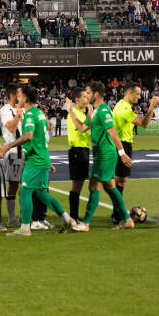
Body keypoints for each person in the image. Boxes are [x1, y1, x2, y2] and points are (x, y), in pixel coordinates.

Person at [0, 85, 82, 236]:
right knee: (42, 194)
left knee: (24, 192)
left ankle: (25, 228)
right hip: (42, 157)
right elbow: (41, 137)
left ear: (25, 98)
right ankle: (68, 220)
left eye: (19, 95)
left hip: (34, 160)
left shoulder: (30, 115)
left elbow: (28, 135)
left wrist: (7, 146)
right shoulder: (40, 114)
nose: (17, 98)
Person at [81, 81, 134, 230]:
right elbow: (82, 129)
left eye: (89, 94)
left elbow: (112, 131)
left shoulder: (104, 110)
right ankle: (127, 219)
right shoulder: (97, 111)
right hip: (101, 154)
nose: (87, 96)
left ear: (96, 94)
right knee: (110, 186)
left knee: (94, 185)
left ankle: (85, 223)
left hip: (106, 155)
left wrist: (122, 153)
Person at [111, 82, 158, 223]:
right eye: (137, 94)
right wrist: (151, 106)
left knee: (119, 180)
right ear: (129, 93)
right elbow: (144, 124)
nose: (139, 96)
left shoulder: (121, 105)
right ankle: (117, 214)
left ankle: (116, 213)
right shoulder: (125, 109)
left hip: (120, 144)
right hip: (123, 145)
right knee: (121, 181)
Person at [0, 84, 24, 228]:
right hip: (14, 151)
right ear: (13, 95)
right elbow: (12, 128)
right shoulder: (5, 110)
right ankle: (11, 218)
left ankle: (24, 217)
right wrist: (18, 116)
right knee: (13, 185)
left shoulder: (24, 109)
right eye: (20, 93)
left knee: (26, 185)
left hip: (27, 151)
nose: (23, 96)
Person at [64, 88, 92, 221]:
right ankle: (73, 216)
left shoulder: (81, 113)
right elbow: (81, 128)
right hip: (77, 151)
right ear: (77, 100)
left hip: (84, 150)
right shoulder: (73, 113)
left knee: (80, 184)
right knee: (77, 185)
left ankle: (74, 216)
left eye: (88, 97)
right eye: (85, 97)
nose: (87, 99)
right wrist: (91, 114)